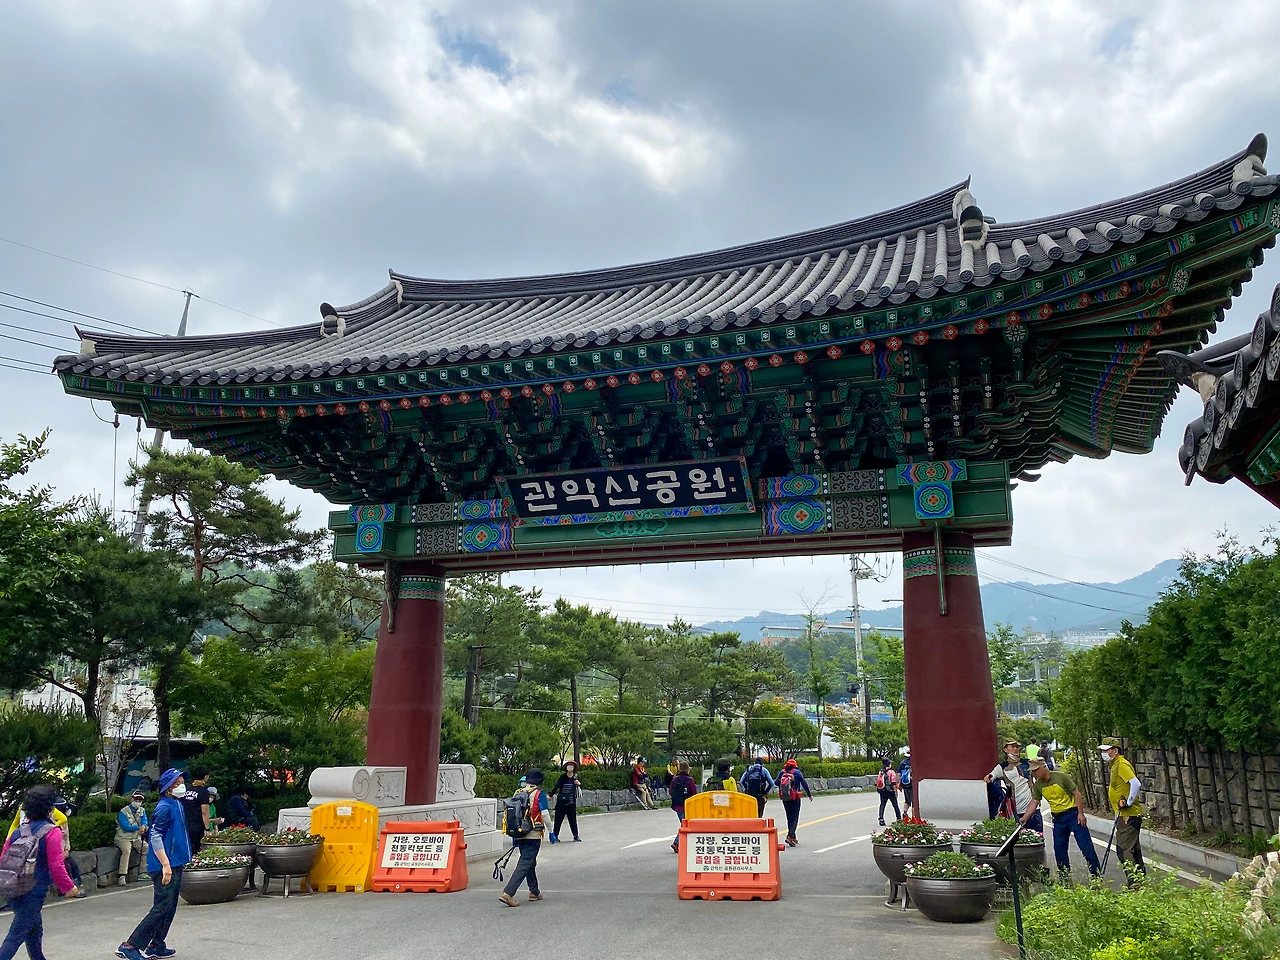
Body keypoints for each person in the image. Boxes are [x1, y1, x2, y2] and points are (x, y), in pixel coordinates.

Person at [116, 768, 192, 960]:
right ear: (168, 788)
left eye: (182, 782)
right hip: (164, 864)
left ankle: (157, 944)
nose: (182, 786)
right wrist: (165, 864)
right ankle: (130, 945)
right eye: (177, 783)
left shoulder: (176, 803)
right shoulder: (164, 807)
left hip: (175, 862)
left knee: (169, 906)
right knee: (161, 906)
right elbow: (156, 836)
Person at [0, 785, 80, 960]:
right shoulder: (52, 832)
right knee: (16, 935)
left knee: (34, 929)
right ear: (50, 808)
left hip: (13, 889)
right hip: (34, 891)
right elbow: (56, 865)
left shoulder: (18, 832)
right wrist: (69, 887)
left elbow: (3, 858)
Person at [1021, 757, 1100, 879]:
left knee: (1086, 847)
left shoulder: (1061, 777)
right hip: (1058, 819)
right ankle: (1065, 879)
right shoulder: (1038, 785)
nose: (1033, 774)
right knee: (1059, 850)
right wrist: (1025, 817)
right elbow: (1035, 801)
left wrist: (1080, 813)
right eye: (1032, 771)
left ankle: (1097, 876)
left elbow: (1076, 793)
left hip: (1073, 815)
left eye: (1035, 770)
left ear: (1043, 767)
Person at [499, 769, 549, 907]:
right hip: (533, 834)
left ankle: (534, 891)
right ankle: (508, 893)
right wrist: (551, 832)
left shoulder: (518, 792)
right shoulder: (539, 794)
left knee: (529, 862)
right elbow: (545, 814)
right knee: (525, 863)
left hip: (519, 834)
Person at [1100, 738, 1146, 883]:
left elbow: (1136, 784)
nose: (1103, 753)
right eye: (1102, 750)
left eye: (1106, 750)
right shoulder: (1114, 765)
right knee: (1134, 850)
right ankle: (1140, 882)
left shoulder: (1121, 765)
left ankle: (1135, 884)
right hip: (1124, 815)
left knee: (1123, 851)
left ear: (1115, 750)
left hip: (1128, 816)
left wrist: (1128, 802)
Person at [986, 740, 1043, 834]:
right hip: (1017, 809)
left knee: (1038, 836)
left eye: (1017, 747)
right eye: (1012, 747)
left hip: (1033, 809)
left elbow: (1041, 772)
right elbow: (990, 777)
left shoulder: (1027, 763)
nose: (1015, 749)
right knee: (1019, 838)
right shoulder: (1002, 767)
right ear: (1005, 749)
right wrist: (988, 778)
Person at [775, 759, 812, 847]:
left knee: (789, 817)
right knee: (794, 818)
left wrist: (784, 785)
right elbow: (804, 783)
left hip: (785, 797)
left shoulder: (782, 772)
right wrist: (809, 795)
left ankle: (793, 837)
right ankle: (790, 836)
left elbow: (776, 782)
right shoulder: (797, 772)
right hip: (795, 797)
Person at [115, 792, 149, 886]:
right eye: (136, 799)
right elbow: (125, 827)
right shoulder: (123, 812)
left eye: (140, 800)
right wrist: (139, 828)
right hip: (123, 837)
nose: (137, 801)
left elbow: (145, 820)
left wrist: (144, 826)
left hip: (136, 837)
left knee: (145, 847)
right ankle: (122, 876)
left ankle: (143, 872)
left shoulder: (142, 810)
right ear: (132, 799)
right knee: (126, 850)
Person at [668, 761, 698, 853]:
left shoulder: (675, 779)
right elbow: (694, 794)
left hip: (677, 806)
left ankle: (679, 844)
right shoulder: (690, 780)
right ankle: (676, 843)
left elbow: (670, 791)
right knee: (685, 825)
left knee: (684, 824)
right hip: (687, 806)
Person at [550, 761, 582, 842]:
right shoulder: (563, 777)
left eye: (571, 765)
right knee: (558, 819)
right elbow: (557, 786)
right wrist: (550, 795)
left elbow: (580, 787)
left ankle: (576, 836)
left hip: (571, 802)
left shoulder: (576, 777)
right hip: (561, 802)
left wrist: (578, 784)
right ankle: (555, 836)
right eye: (569, 765)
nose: (570, 766)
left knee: (573, 820)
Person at [181, 767, 211, 852]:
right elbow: (204, 812)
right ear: (205, 776)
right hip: (197, 825)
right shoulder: (203, 791)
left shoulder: (186, 789)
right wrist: (207, 829)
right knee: (196, 849)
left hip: (184, 823)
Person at [875, 757, 901, 826]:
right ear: (889, 764)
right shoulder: (891, 772)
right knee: (895, 805)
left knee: (882, 805)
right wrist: (895, 791)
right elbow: (893, 782)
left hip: (882, 791)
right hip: (890, 791)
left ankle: (881, 819)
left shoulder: (881, 772)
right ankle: (899, 818)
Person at [898, 750, 913, 817]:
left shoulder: (903, 763)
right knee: (914, 802)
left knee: (907, 800)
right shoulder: (914, 763)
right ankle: (914, 817)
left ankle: (905, 813)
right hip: (912, 784)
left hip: (905, 784)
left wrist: (899, 784)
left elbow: (899, 774)